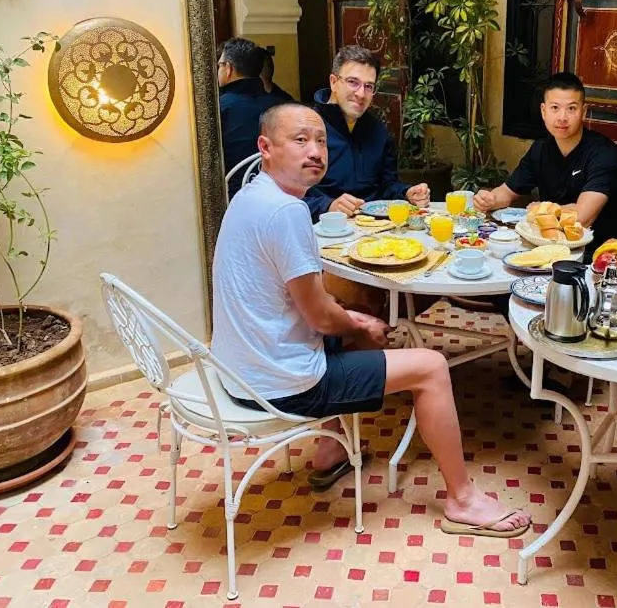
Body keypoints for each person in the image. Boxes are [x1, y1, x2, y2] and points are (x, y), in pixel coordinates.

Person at [209, 101, 531, 537]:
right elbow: (321, 318)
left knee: (358, 326)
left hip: (239, 367)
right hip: (279, 383)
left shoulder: (251, 196)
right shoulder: (287, 213)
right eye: (300, 140)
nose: (315, 151)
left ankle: (330, 451)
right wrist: (359, 323)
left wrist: (355, 322)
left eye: (320, 140)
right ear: (266, 147)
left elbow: (312, 307)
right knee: (432, 367)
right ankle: (462, 499)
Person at [473, 72, 617, 259]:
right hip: (548, 249)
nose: (562, 117)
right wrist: (489, 199)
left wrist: (541, 208)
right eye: (555, 108)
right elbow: (507, 192)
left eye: (571, 108)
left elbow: (583, 218)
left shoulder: (604, 153)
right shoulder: (541, 149)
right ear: (543, 111)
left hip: (600, 256)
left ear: (584, 112)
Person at [305, 45, 429, 219]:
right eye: (353, 82)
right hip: (324, 229)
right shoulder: (306, 126)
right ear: (333, 82)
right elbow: (284, 197)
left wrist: (407, 192)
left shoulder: (378, 130)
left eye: (369, 86)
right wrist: (328, 205)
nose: (361, 94)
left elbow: (387, 185)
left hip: (375, 228)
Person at [218, 38, 290, 197]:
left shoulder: (219, 109)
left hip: (235, 195)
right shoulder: (282, 106)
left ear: (228, 69)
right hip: (280, 192)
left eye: (220, 65)